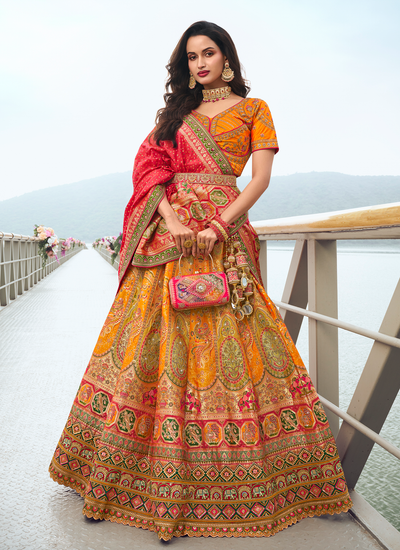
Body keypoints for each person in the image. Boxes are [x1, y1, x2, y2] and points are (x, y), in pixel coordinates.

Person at [49, 21, 352, 540]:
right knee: (155, 343)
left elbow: (259, 179)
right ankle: (130, 478)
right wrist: (170, 219)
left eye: (208, 52)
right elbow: (148, 171)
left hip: (224, 237)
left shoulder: (256, 110)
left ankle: (256, 478)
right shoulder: (176, 116)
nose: (200, 63)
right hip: (172, 238)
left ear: (227, 56)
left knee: (241, 350)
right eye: (191, 57)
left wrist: (218, 224)